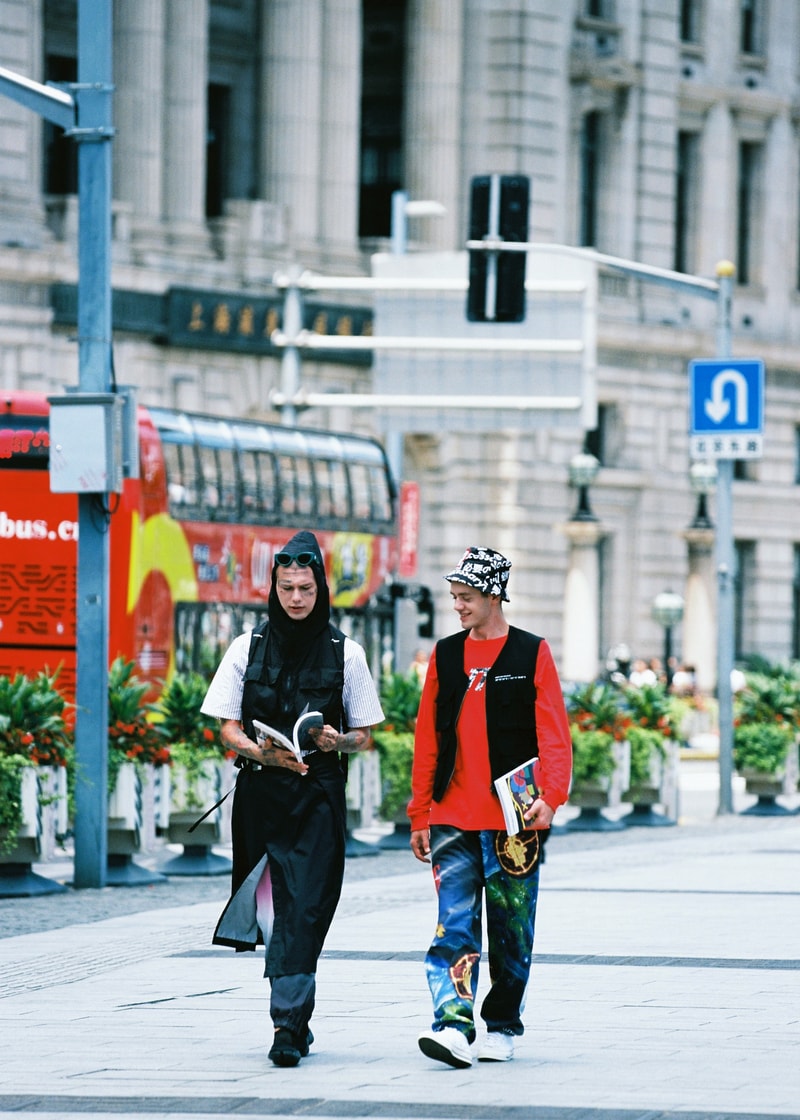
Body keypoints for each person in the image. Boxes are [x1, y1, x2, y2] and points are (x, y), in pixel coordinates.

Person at [200, 530, 384, 1068]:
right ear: (274, 587)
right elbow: (227, 729)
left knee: (306, 909)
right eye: (287, 588)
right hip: (261, 798)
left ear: (320, 587)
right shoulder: (245, 648)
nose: (296, 598)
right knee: (276, 913)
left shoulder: (346, 652)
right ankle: (293, 1022)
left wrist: (337, 739)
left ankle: (287, 1025)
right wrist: (260, 752)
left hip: (319, 799)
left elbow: (366, 734)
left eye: (305, 587)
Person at [408, 546, 572, 1068]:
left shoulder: (531, 653)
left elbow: (554, 734)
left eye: (466, 597)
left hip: (515, 821)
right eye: (454, 597)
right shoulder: (445, 655)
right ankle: (453, 1026)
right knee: (452, 925)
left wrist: (552, 798)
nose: (457, 606)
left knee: (511, 928)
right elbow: (427, 739)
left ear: (494, 594)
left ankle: (502, 1024)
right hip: (452, 817)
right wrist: (420, 813)